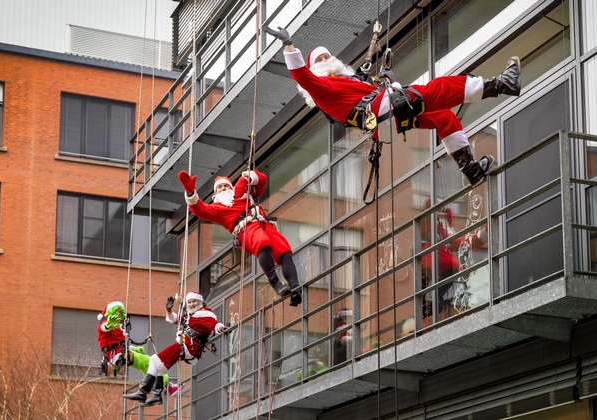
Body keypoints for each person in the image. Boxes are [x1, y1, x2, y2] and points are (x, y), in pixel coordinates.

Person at [264, 26, 521, 187]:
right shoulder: (321, 89)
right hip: (381, 110)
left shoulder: (346, 83)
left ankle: (471, 170)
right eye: (319, 59)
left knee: (444, 118)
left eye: (327, 56)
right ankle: (500, 84)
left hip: (383, 113)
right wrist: (289, 46)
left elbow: (362, 94)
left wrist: (380, 79)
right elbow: (302, 76)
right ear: (314, 68)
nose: (325, 60)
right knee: (438, 88)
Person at [178, 169, 302, 307]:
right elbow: (199, 209)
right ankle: (276, 283)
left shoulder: (246, 194)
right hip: (246, 229)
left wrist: (247, 177)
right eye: (219, 187)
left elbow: (262, 179)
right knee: (262, 243)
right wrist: (190, 192)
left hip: (264, 224)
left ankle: (295, 286)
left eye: (226, 186)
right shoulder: (217, 208)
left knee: (284, 250)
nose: (223, 188)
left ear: (231, 188)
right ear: (216, 193)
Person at [124, 291, 225, 406]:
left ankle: (143, 392)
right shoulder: (192, 316)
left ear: (200, 302)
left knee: (154, 360)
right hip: (186, 346)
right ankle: (156, 395)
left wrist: (220, 327)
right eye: (190, 302)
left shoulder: (204, 314)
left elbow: (214, 324)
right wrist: (169, 311)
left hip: (189, 346)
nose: (191, 304)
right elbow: (175, 319)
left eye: (194, 302)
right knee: (160, 366)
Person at [96, 300, 128, 376]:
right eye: (117, 312)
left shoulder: (119, 324)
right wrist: (107, 326)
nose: (119, 314)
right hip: (111, 350)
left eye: (120, 312)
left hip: (120, 347)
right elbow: (101, 329)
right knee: (118, 359)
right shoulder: (107, 322)